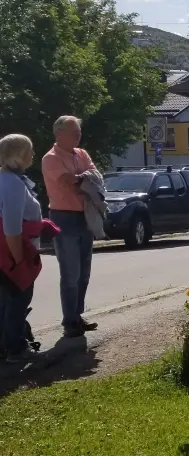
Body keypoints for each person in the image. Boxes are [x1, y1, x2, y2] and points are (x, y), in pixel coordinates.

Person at [42, 116, 98, 338]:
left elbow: (95, 176)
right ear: (59, 134)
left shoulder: (81, 154)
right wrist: (84, 180)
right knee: (70, 273)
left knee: (84, 273)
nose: (78, 135)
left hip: (85, 216)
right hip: (63, 218)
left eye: (79, 131)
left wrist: (81, 179)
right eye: (74, 132)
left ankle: (77, 315)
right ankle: (69, 321)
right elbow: (67, 180)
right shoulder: (51, 158)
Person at [0, 134, 42, 362]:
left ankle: (5, 346)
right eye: (30, 151)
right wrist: (19, 261)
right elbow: (12, 228)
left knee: (5, 301)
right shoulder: (13, 184)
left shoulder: (4, 178)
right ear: (19, 155)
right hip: (13, 251)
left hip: (4, 251)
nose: (33, 155)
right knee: (19, 298)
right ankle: (16, 350)